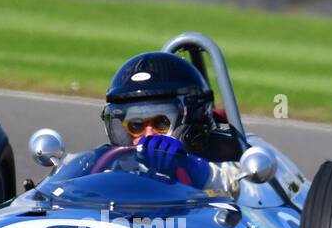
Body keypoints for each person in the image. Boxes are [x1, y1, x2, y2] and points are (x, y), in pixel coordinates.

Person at [100, 52, 242, 196]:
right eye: (136, 126)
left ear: (189, 123)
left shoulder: (234, 153)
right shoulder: (112, 163)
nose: (148, 135)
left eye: (161, 122)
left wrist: (194, 170)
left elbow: (252, 187)